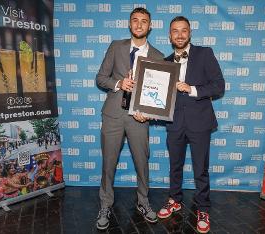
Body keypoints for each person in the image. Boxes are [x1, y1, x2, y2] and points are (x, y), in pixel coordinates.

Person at [95, 7, 163, 230]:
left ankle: (143, 202)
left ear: (150, 26)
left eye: (144, 21)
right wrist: (118, 84)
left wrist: (150, 113)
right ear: (129, 24)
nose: (139, 24)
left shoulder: (158, 56)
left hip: (139, 118)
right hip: (113, 114)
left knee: (142, 163)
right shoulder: (116, 47)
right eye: (135, 20)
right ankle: (105, 204)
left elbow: (160, 97)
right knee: (108, 164)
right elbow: (101, 78)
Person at [156, 16, 225, 233]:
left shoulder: (205, 53)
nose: (179, 35)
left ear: (190, 33)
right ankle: (174, 200)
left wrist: (191, 89)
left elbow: (218, 86)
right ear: (169, 35)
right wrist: (145, 111)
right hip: (174, 123)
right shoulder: (164, 63)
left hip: (200, 123)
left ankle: (203, 208)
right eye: (175, 31)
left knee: (200, 169)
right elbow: (159, 98)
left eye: (183, 30)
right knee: (174, 166)